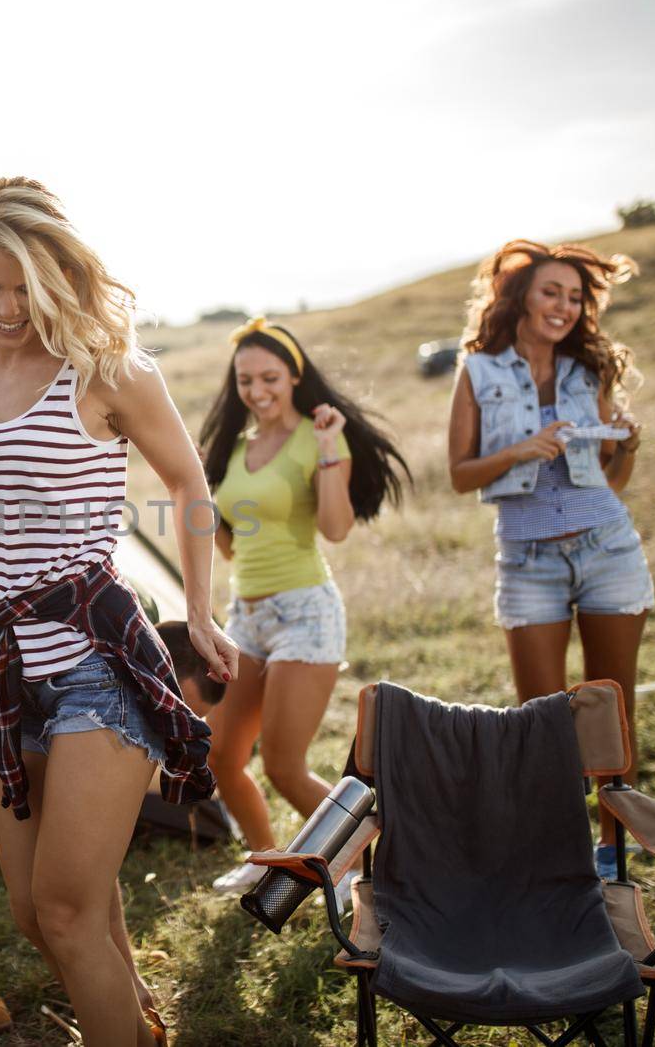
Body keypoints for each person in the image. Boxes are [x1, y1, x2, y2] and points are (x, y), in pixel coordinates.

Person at [0, 176, 237, 1047]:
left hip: (94, 659)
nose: (3, 307)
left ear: (60, 274)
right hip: (2, 662)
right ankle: (138, 1024)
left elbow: (189, 482)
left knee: (67, 912)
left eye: (22, 287)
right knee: (45, 919)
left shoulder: (109, 369)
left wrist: (202, 608)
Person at [0, 565, 222, 1032]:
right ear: (154, 663)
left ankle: (116, 993)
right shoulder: (102, 623)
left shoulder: (128, 622)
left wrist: (125, 972)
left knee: (71, 840)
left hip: (2, 667)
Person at [447, 239, 652, 879]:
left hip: (607, 547)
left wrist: (630, 447)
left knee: (613, 709)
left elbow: (609, 485)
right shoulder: (478, 370)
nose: (564, 306)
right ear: (520, 297)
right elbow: (459, 473)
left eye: (574, 296)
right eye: (551, 292)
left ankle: (613, 853)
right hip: (527, 557)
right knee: (541, 721)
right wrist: (521, 450)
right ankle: (560, 855)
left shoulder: (587, 371)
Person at [197, 317, 410, 895]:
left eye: (269, 377)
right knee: (221, 756)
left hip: (305, 612)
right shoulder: (236, 448)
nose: (257, 390)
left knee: (284, 766)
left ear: (293, 376)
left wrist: (326, 453)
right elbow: (230, 536)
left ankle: (376, 860)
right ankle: (265, 858)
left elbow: (337, 529)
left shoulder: (318, 438)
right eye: (245, 380)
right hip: (247, 617)